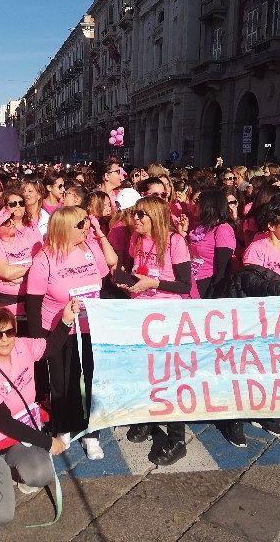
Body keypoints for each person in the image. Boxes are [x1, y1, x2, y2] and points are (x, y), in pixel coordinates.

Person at [0, 302, 78, 524]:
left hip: (19, 434)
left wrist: (66, 320)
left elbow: (51, 347)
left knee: (41, 474)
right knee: (1, 517)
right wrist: (47, 442)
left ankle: (13, 469)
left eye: (10, 331)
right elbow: (3, 422)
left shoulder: (22, 345)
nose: (5, 339)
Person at [26, 207, 114, 460]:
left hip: (90, 330)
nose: (87, 227)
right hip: (59, 331)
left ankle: (91, 434)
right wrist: (39, 341)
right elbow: (33, 302)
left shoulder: (91, 247)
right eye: (81, 224)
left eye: (86, 221)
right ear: (65, 228)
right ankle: (62, 429)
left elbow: (105, 279)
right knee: (61, 384)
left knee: (89, 382)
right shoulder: (45, 258)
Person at [116, 197, 191, 465]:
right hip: (141, 315)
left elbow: (185, 285)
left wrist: (154, 283)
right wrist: (127, 282)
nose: (135, 219)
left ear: (156, 217)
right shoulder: (135, 239)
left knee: (168, 376)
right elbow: (135, 273)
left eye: (141, 215)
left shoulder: (174, 241)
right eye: (134, 214)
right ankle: (147, 419)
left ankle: (177, 438)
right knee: (144, 372)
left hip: (167, 317)